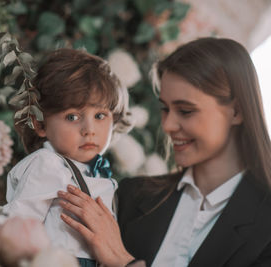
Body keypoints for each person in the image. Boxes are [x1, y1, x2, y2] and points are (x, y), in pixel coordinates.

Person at [58, 37, 271, 267]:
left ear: (236, 112)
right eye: (165, 109)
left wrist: (124, 262)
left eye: (186, 111)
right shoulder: (132, 195)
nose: (168, 125)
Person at [0, 48, 131, 266]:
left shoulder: (96, 171)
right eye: (72, 116)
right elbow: (18, 220)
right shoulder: (48, 164)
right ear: (41, 124)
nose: (89, 129)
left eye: (100, 116)